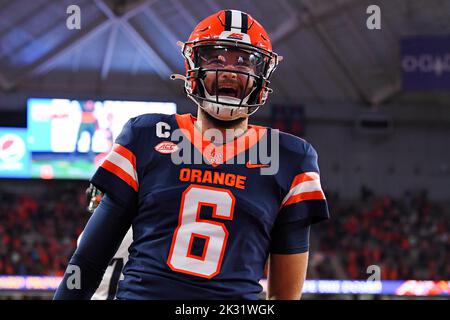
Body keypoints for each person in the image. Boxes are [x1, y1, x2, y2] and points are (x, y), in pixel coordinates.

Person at [54, 9, 329, 300]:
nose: (230, 71)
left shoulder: (290, 158)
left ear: (262, 75)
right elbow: (88, 261)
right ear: (192, 67)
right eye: (216, 59)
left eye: (245, 62)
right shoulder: (146, 135)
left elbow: (284, 296)